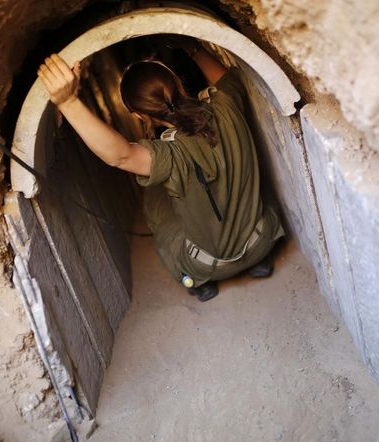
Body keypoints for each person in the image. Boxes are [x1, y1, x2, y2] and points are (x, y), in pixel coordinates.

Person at [37, 39, 284, 302]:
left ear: (139, 116)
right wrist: (193, 47)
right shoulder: (225, 104)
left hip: (207, 266)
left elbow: (120, 156)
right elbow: (227, 78)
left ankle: (199, 283)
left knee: (156, 197)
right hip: (263, 239)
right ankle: (261, 262)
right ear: (179, 83)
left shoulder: (166, 156)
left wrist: (67, 101)